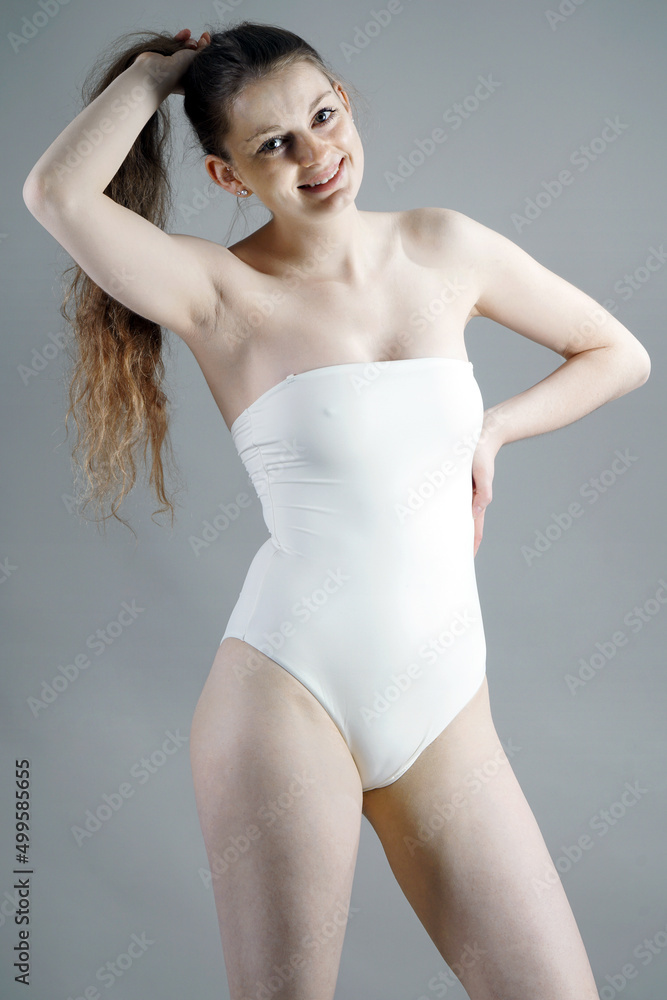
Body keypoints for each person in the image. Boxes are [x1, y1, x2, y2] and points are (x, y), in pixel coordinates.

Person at [22, 20, 650, 1000]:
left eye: (321, 116)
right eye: (273, 144)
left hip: (447, 707)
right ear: (228, 175)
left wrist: (492, 430)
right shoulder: (220, 292)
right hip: (287, 695)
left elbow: (620, 353)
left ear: (344, 102)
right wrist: (155, 75)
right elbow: (56, 195)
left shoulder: (443, 245)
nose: (316, 155)